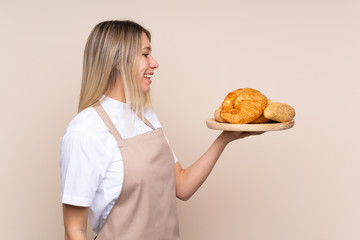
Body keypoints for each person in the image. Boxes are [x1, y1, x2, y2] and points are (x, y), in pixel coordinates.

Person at [60, 20, 263, 240]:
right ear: (117, 60)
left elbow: (182, 187)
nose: (154, 63)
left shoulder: (146, 117)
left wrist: (225, 138)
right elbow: (74, 230)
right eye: (145, 54)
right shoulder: (85, 130)